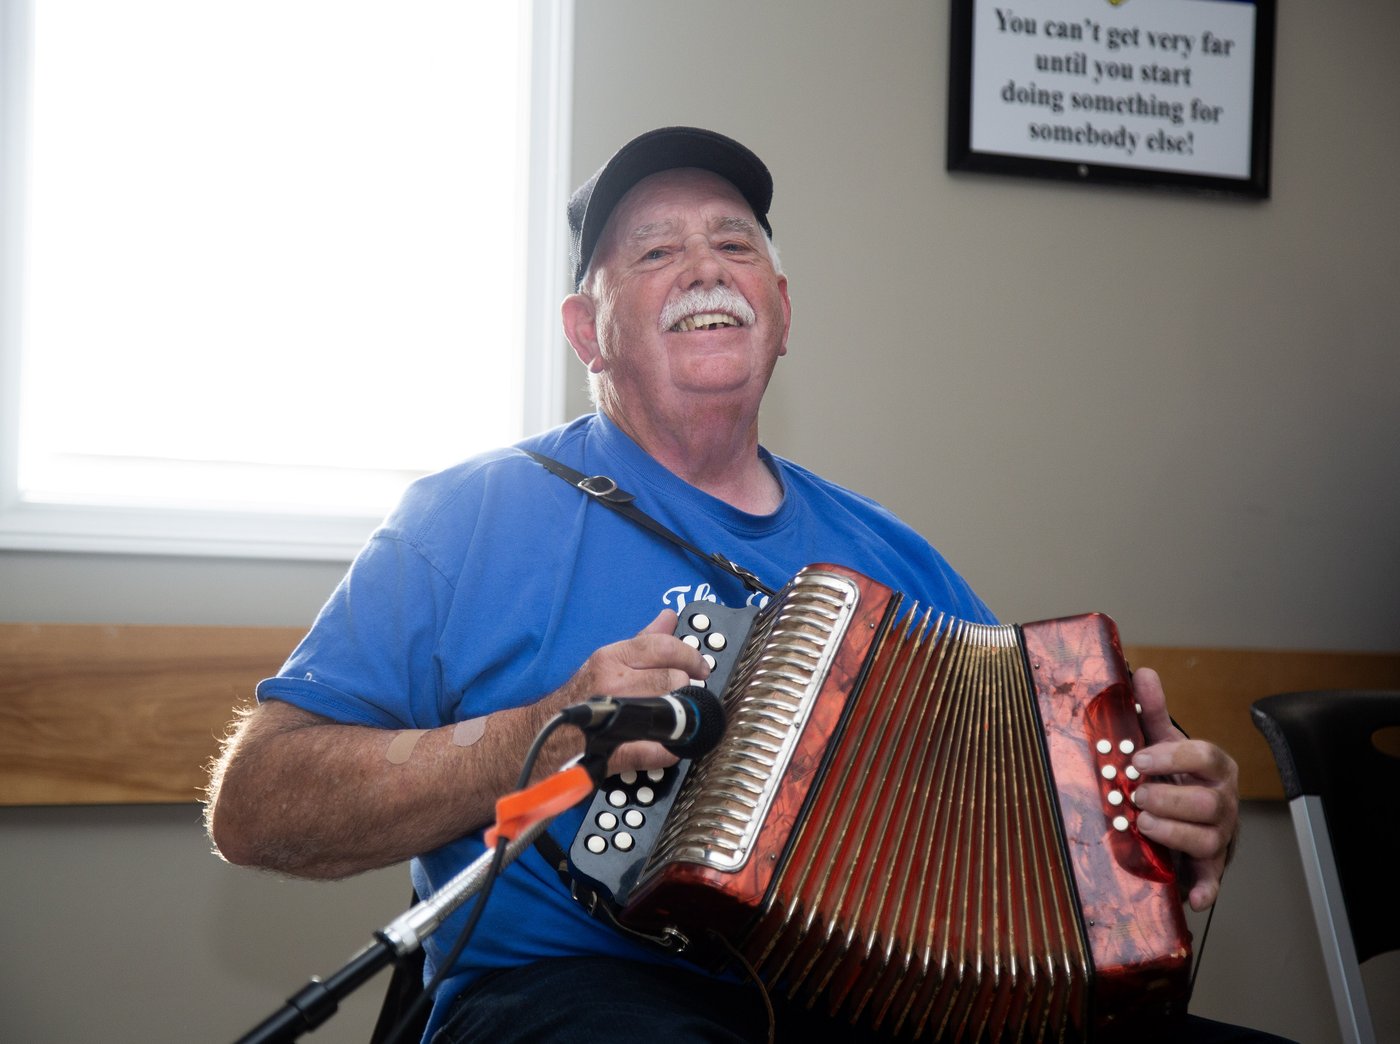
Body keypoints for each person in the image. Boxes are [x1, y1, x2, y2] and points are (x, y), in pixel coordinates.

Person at [206, 127, 1288, 1044]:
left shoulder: (900, 565)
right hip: (566, 998)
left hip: (862, 1009)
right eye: (654, 252)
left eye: (735, 244)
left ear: (779, 308)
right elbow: (255, 807)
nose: (705, 267)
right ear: (588, 331)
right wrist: (532, 733)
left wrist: (1156, 838)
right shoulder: (466, 518)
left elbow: (1025, 849)